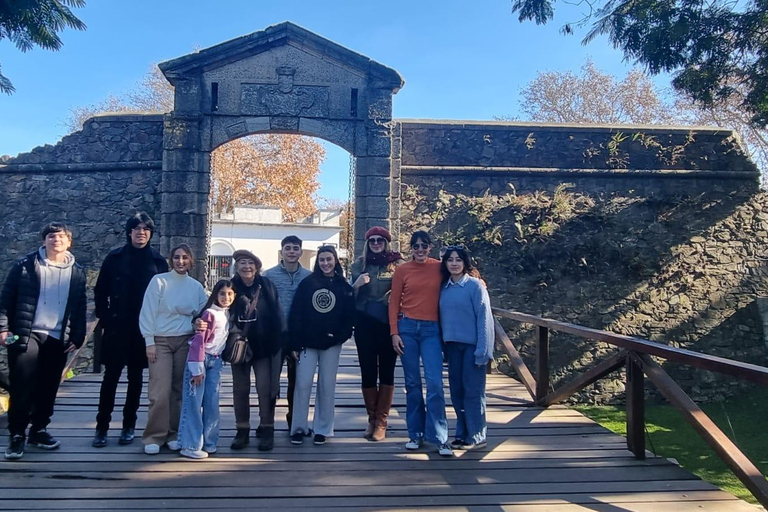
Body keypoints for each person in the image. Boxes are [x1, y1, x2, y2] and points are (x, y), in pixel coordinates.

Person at [0, 222, 87, 460]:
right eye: (50, 236)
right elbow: (6, 299)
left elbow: (79, 306)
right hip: (26, 332)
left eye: (60, 236)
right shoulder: (25, 266)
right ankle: (17, 434)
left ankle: (39, 429)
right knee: (22, 385)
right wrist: (3, 329)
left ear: (69, 242)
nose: (55, 240)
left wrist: (77, 336)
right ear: (44, 241)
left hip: (58, 336)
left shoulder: (77, 271)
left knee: (48, 387)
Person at [92, 212, 168, 448]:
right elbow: (100, 291)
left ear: (150, 233)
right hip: (117, 327)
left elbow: (164, 297)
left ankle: (128, 426)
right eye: (137, 228)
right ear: (129, 232)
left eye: (146, 229)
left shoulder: (158, 262)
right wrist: (106, 320)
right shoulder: (114, 258)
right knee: (110, 379)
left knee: (136, 379)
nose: (141, 232)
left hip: (142, 330)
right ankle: (101, 427)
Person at [139, 243, 207, 455]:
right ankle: (154, 436)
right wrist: (149, 341)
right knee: (160, 390)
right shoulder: (159, 281)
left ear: (191, 261)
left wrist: (201, 324)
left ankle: (174, 433)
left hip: (185, 341)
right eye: (177, 257)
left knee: (180, 390)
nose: (180, 261)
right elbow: (147, 312)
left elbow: (203, 314)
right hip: (161, 341)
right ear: (171, 259)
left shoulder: (196, 287)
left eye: (185, 257)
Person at [390, 230, 452, 457]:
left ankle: (440, 437)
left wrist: (479, 282)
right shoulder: (402, 270)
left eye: (423, 245)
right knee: (413, 383)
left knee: (435, 383)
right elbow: (394, 302)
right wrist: (394, 333)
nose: (419, 250)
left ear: (430, 246)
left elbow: (460, 273)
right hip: (407, 328)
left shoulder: (439, 267)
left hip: (431, 330)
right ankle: (415, 433)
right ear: (411, 249)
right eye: (415, 246)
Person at [288, 245, 355, 446]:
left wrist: (340, 337)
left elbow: (349, 317)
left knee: (327, 385)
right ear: (318, 262)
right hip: (307, 344)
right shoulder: (307, 284)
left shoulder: (344, 287)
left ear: (335, 260)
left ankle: (323, 429)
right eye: (322, 260)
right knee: (303, 384)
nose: (325, 263)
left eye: (329, 259)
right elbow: (296, 313)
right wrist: (295, 342)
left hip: (331, 344)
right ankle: (299, 428)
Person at [350, 227, 403, 441]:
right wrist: (356, 285)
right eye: (371, 240)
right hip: (364, 323)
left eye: (380, 240)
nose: (375, 243)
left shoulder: (398, 266)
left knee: (387, 370)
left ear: (387, 242)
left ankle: (382, 420)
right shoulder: (358, 265)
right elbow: (348, 296)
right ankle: (371, 418)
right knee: (368, 370)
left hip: (388, 324)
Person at [228, 250, 283, 452]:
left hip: (264, 345)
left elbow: (277, 313)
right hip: (239, 347)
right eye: (242, 263)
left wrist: (280, 341)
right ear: (237, 266)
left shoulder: (266, 286)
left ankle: (267, 429)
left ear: (257, 267)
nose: (246, 267)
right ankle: (242, 430)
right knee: (240, 390)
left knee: (265, 388)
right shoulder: (230, 286)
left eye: (250, 263)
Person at [440, 245, 494, 451]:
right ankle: (462, 433)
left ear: (465, 263)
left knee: (473, 392)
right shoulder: (443, 288)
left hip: (472, 347)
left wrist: (483, 350)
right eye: (450, 259)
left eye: (458, 260)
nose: (454, 263)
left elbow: (484, 319)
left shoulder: (475, 286)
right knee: (457, 392)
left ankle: (477, 435)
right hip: (452, 348)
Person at [177, 279, 235, 459]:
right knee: (193, 402)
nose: (226, 297)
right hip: (201, 360)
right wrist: (196, 368)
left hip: (216, 362)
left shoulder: (227, 314)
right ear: (216, 295)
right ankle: (189, 444)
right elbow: (198, 342)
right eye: (222, 294)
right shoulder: (209, 314)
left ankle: (210, 442)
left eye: (230, 294)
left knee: (211, 401)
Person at [263, 235, 312, 435]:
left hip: (298, 336)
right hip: (274, 335)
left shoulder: (309, 277)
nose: (291, 252)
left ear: (301, 251)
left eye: (295, 248)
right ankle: (267, 423)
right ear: (281, 251)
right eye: (288, 248)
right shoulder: (269, 275)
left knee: (297, 382)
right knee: (271, 382)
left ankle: (295, 421)